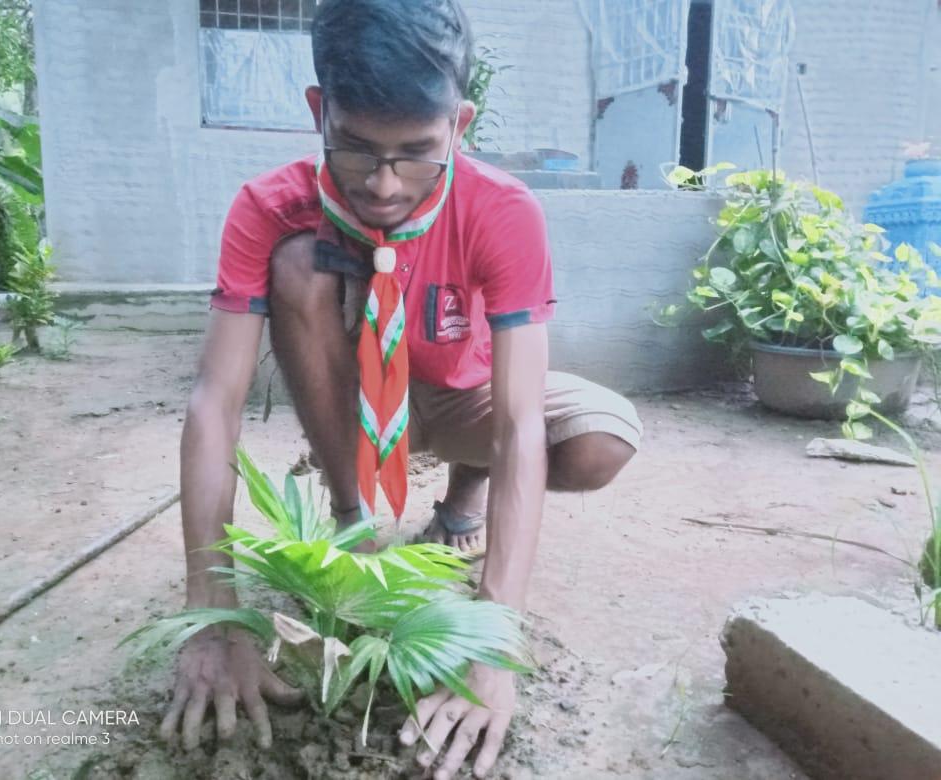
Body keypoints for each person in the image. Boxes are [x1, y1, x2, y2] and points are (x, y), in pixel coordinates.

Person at [164, 0, 643, 777]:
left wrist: (492, 639)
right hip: (354, 400)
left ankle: (461, 499)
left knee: (600, 439)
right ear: (318, 112)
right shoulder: (268, 206)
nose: (384, 184)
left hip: (463, 397)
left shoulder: (501, 210)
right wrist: (213, 613)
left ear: (460, 124)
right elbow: (214, 403)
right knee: (297, 263)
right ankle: (353, 518)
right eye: (356, 149)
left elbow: (521, 421)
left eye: (417, 153)